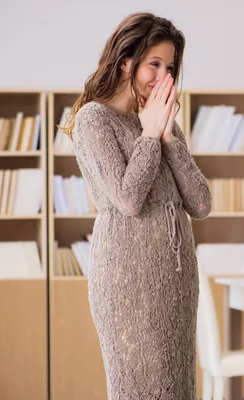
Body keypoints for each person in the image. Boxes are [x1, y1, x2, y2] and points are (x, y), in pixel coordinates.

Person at [61, 12, 211, 399]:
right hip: (127, 282)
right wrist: (149, 133)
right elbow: (128, 199)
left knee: (179, 388)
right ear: (126, 60)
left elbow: (201, 202)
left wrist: (167, 137)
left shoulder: (160, 122)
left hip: (176, 282)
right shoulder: (95, 119)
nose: (163, 77)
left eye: (171, 67)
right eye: (154, 64)